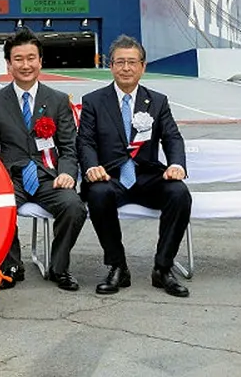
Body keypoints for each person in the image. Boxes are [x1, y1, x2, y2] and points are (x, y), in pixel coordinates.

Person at [77, 34, 191, 298]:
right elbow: (85, 141)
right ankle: (118, 266)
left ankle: (163, 268)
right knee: (98, 193)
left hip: (147, 176)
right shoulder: (94, 101)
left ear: (143, 66)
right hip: (111, 177)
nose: (126, 68)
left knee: (179, 193)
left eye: (132, 62)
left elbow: (172, 137)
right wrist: (91, 167)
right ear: (111, 66)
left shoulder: (157, 101)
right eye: (120, 62)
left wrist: (176, 164)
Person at [0, 28, 86, 292]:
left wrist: (67, 173)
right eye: (18, 59)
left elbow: (68, 146)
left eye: (31, 58)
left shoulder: (58, 100)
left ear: (40, 61)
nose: (25, 65)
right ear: (8, 64)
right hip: (11, 177)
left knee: (74, 206)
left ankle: (59, 267)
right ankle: (10, 266)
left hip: (48, 177)